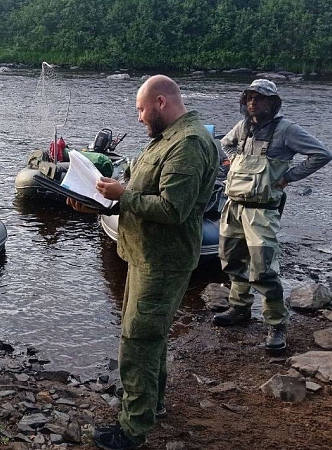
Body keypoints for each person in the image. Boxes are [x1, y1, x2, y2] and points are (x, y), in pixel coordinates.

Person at [68, 75, 218, 449]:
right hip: (143, 254)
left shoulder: (189, 144)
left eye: (140, 109)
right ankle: (152, 404)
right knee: (150, 336)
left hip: (163, 261)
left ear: (162, 102)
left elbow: (173, 209)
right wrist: (98, 200)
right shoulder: (166, 139)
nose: (138, 117)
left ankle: (134, 428)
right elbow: (140, 194)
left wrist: (123, 193)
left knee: (138, 340)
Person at [212, 79, 332, 354]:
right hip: (234, 206)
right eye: (250, 97)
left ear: (273, 103)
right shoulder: (242, 127)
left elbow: (322, 154)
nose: (253, 102)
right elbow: (224, 144)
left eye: (260, 98)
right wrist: (232, 162)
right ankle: (239, 307)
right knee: (231, 259)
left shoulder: (286, 130)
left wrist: (287, 177)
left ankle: (277, 324)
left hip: (262, 212)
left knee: (264, 269)